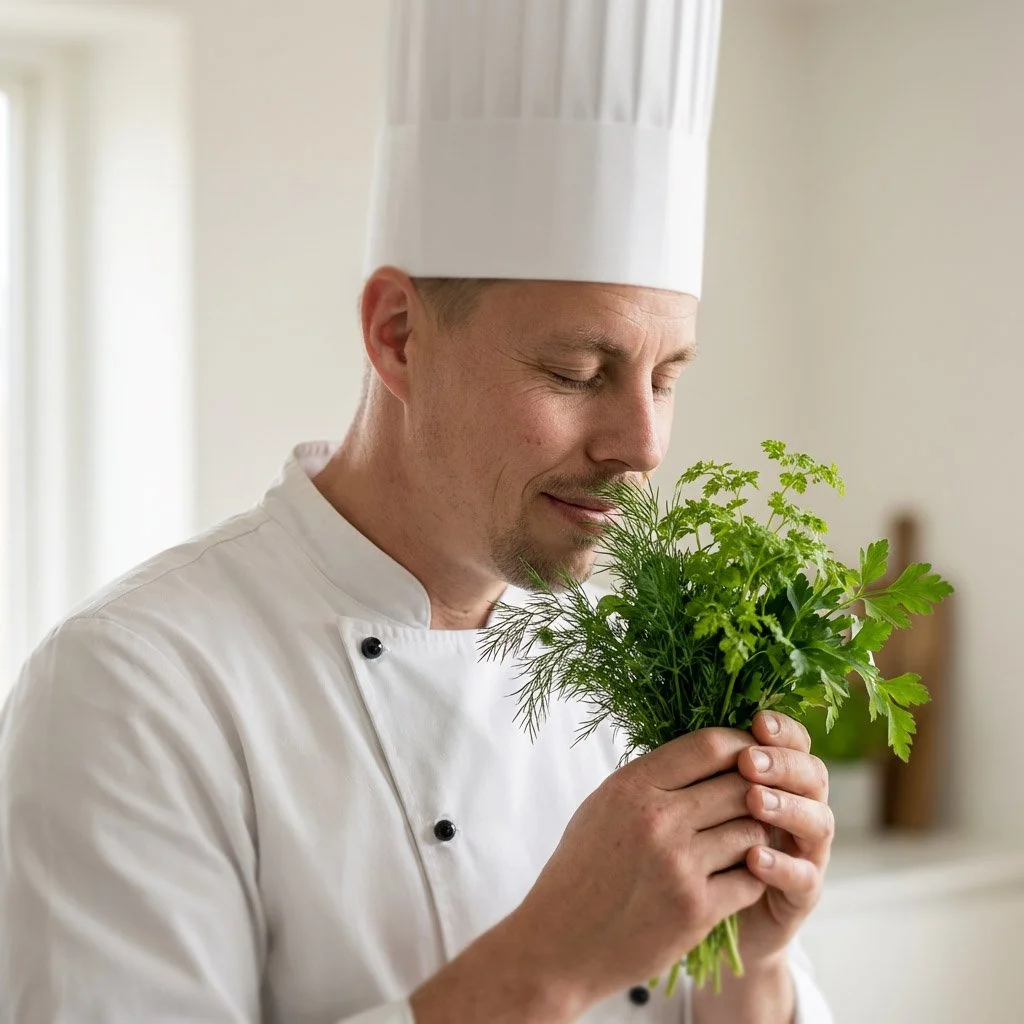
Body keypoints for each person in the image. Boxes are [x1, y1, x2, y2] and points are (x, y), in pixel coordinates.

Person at [0, 1, 836, 1021]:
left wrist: (744, 968)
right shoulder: (135, 684)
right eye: (578, 370)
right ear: (397, 335)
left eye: (665, 377)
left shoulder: (632, 665)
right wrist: (549, 960)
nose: (644, 445)